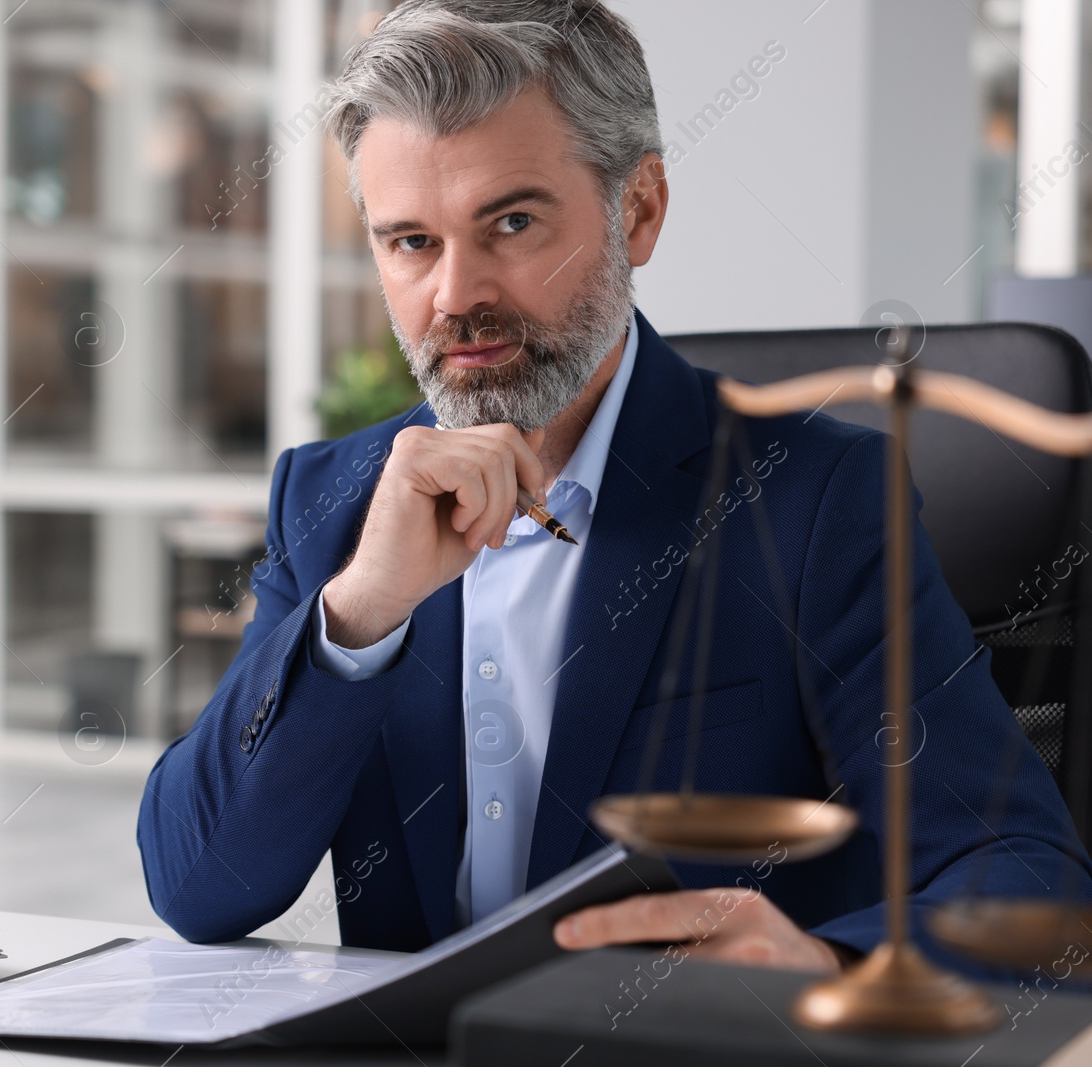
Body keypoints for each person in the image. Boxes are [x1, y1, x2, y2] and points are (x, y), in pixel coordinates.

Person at [137, 0, 1091, 972]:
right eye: (410, 241)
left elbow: (1025, 875)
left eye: (509, 221)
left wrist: (820, 962)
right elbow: (199, 886)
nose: (455, 294)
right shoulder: (331, 500)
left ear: (637, 210)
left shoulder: (814, 501)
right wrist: (358, 617)